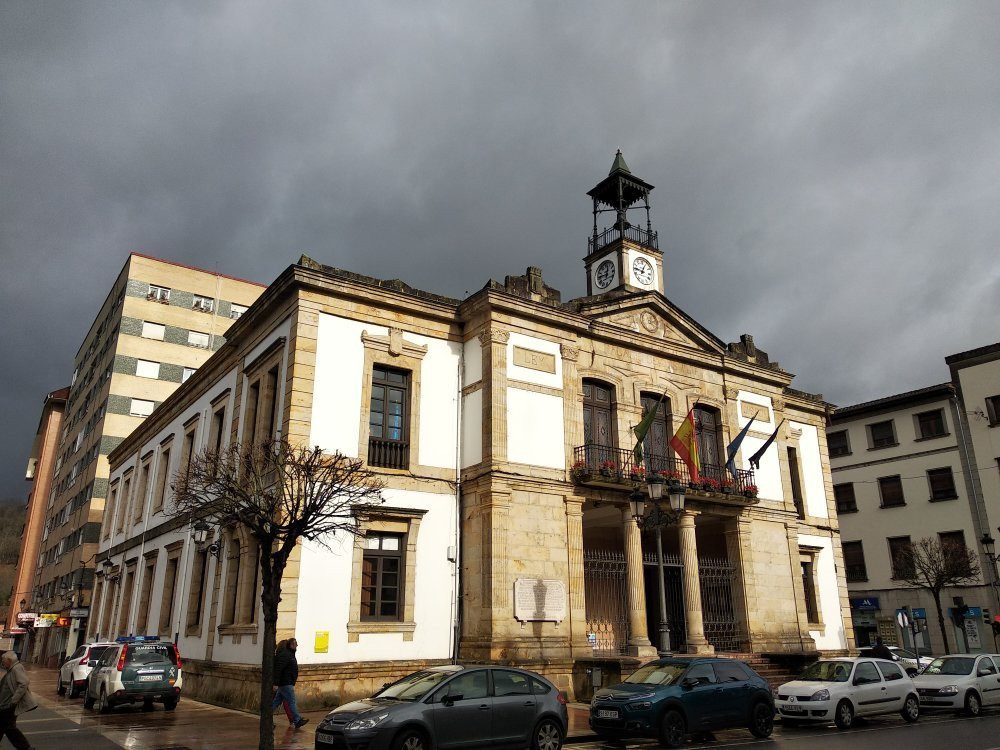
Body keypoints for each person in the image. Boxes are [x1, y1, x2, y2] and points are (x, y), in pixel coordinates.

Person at [0, 651, 38, 750]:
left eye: (3, 661)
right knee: (5, 727)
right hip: (4, 705)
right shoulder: (11, 669)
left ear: (9, 660)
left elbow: (24, 683)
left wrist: (14, 700)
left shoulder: (17, 668)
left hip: (8, 705)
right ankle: (26, 748)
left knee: (9, 728)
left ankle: (26, 748)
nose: (2, 663)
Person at [271, 638, 307, 729]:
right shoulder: (286, 655)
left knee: (276, 701)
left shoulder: (289, 654)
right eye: (295, 644)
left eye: (296, 643)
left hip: (286, 682)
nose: (296, 645)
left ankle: (266, 715)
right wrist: (275, 683)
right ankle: (297, 720)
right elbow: (279, 669)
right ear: (290, 645)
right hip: (286, 683)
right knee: (292, 701)